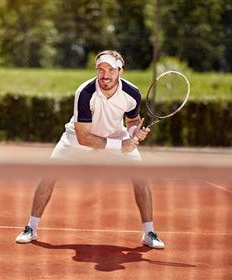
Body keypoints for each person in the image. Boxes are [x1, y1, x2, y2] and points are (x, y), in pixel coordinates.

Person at [15, 50, 165, 249]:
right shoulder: (85, 92)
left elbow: (132, 119)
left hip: (115, 135)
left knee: (141, 177)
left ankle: (149, 233)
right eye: (100, 69)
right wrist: (121, 146)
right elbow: (83, 137)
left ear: (121, 71)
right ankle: (31, 228)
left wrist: (134, 131)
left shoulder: (132, 93)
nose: (105, 75)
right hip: (77, 139)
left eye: (111, 69)